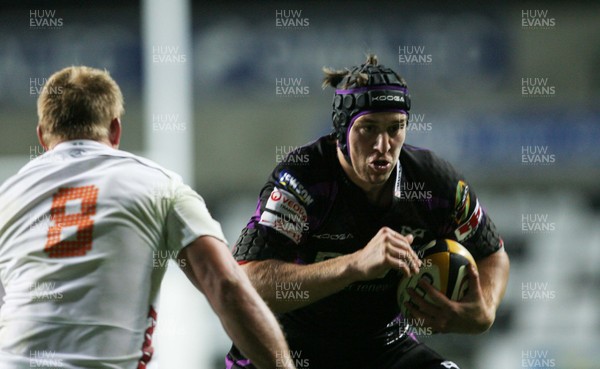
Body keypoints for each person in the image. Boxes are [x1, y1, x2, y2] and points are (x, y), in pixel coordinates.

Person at [0, 66, 295, 369]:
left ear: (42, 137)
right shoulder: (160, 186)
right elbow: (226, 287)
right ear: (115, 129)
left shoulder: (6, 198)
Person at [226, 55, 510, 369]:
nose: (382, 145)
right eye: (368, 129)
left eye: (395, 128)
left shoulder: (433, 182)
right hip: (290, 348)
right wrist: (355, 264)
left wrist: (483, 312)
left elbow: (492, 253)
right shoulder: (304, 178)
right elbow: (244, 281)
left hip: (384, 347)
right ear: (341, 129)